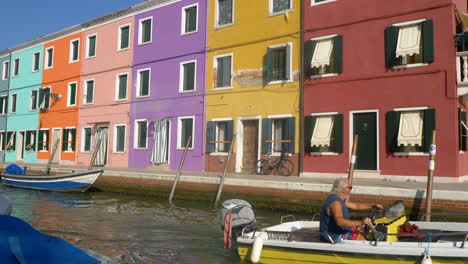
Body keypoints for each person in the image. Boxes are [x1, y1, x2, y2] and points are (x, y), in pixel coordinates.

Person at [319, 178, 384, 243]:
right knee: (364, 240)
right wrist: (361, 222)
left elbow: (356, 206)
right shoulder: (336, 203)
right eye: (350, 187)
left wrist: (373, 205)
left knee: (361, 229)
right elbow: (340, 221)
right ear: (344, 190)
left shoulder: (341, 200)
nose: (351, 190)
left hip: (338, 231)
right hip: (334, 236)